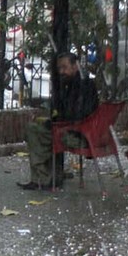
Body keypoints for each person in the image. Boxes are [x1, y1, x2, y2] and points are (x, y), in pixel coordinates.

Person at [19, 51, 100, 191]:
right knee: (39, 128)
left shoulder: (80, 86)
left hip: (78, 135)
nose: (61, 71)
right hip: (82, 132)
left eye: (64, 67)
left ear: (75, 66)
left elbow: (75, 115)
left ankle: (43, 179)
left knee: (33, 130)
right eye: (59, 68)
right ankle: (51, 175)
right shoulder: (78, 83)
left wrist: (54, 122)